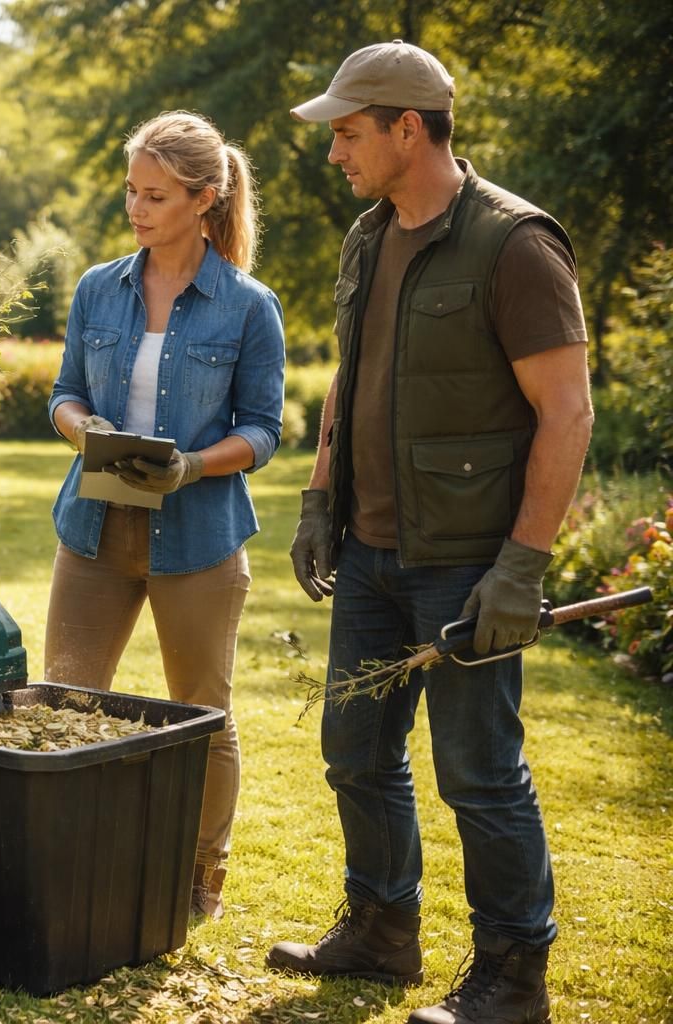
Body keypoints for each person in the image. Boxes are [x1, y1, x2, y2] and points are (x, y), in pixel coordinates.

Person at [266, 41, 593, 1024]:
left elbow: (567, 413)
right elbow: (351, 384)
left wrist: (520, 571)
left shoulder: (513, 244)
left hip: (467, 562)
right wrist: (324, 496)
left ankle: (514, 977)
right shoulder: (369, 237)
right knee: (355, 747)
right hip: (371, 554)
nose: (335, 153)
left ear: (410, 128)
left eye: (350, 133)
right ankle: (381, 930)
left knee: (479, 773)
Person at [45, 111, 286, 922]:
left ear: (205, 199)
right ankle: (68, 862)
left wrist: (191, 465)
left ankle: (199, 881)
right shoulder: (96, 288)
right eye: (131, 193)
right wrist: (86, 432)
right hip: (94, 530)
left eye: (156, 195)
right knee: (66, 704)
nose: (138, 210)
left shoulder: (249, 307)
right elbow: (63, 394)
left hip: (199, 538)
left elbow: (264, 430)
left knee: (204, 717)